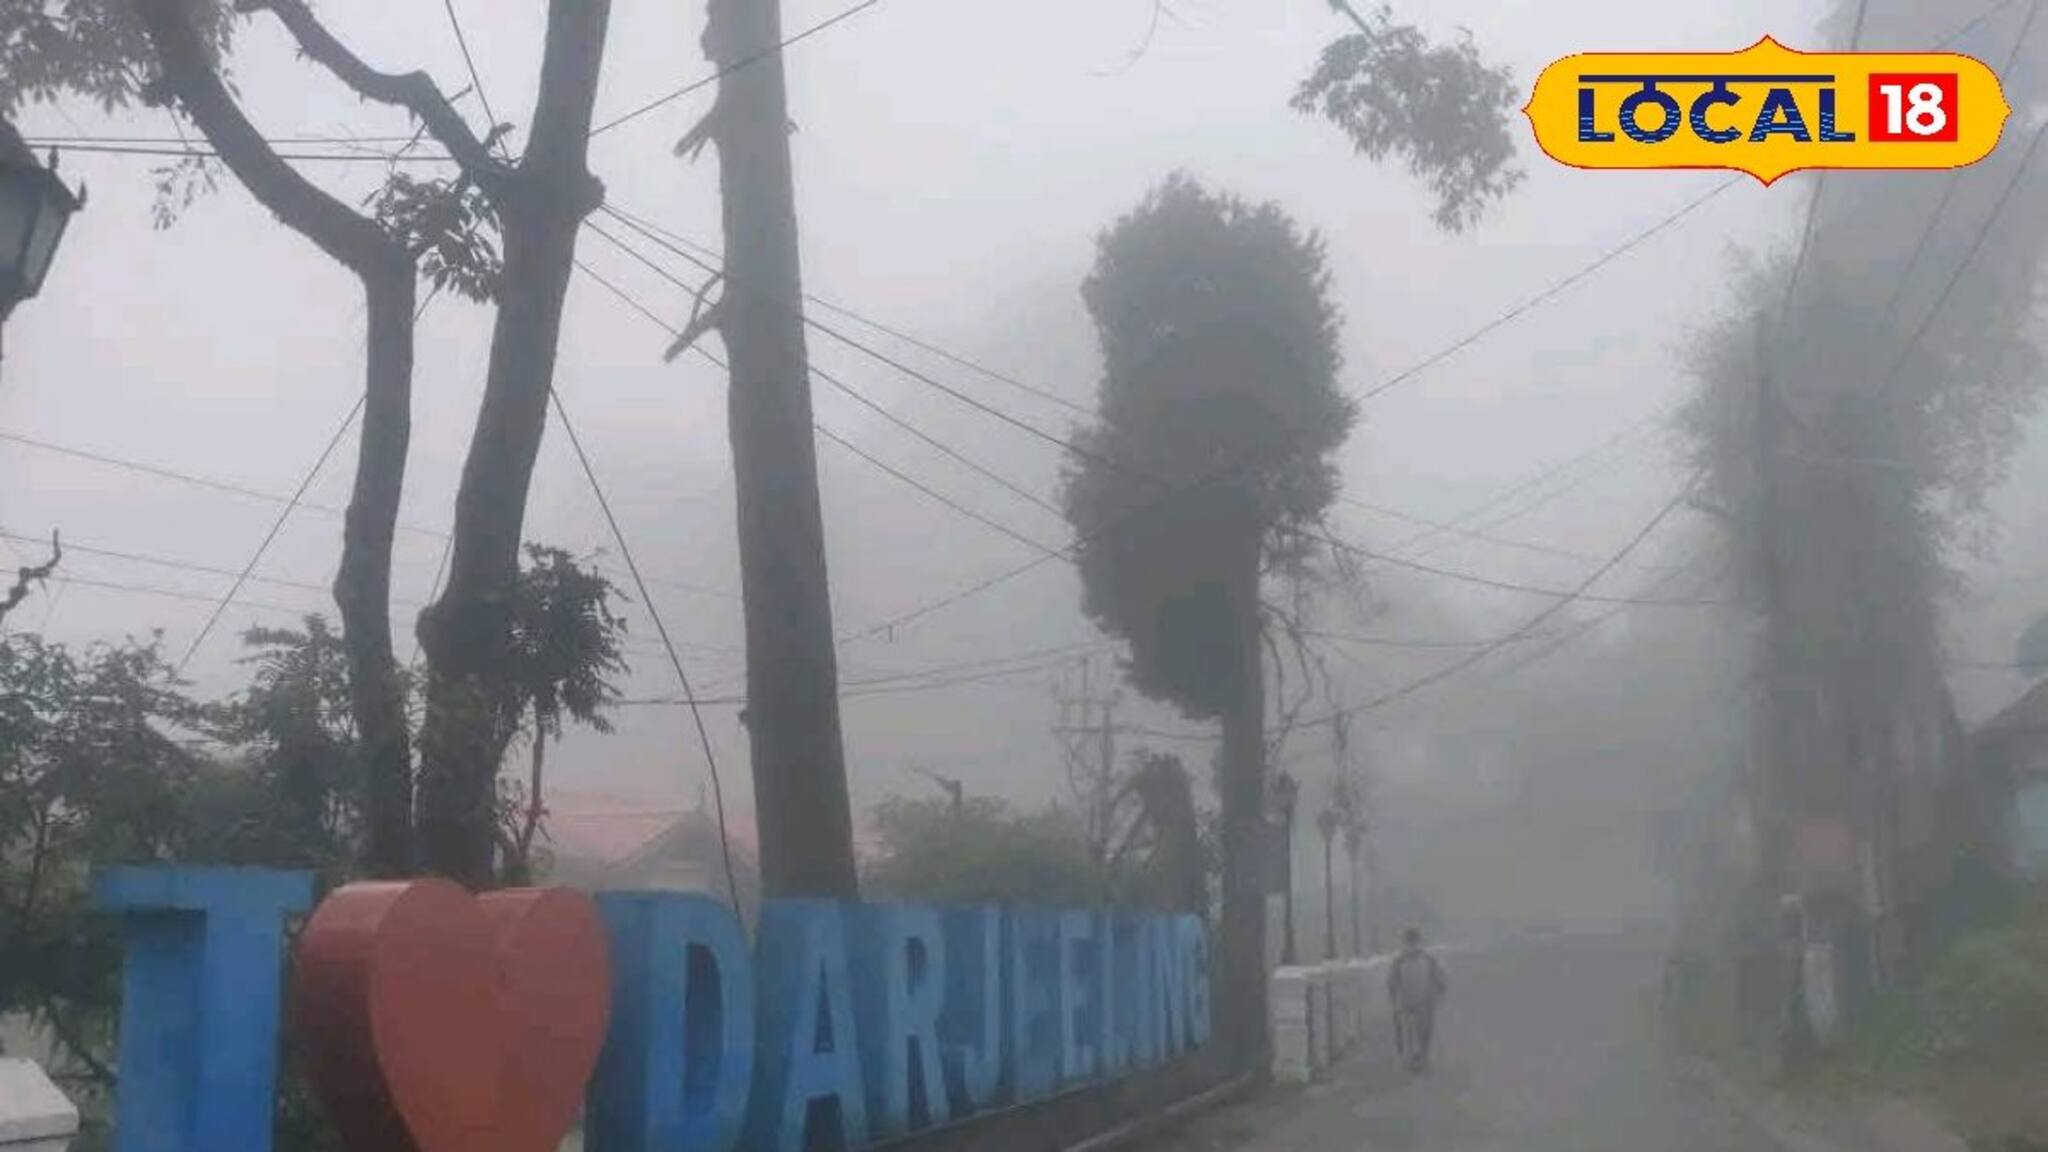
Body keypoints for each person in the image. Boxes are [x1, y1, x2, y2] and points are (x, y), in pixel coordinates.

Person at [1387, 927, 1447, 1071]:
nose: (1411, 945)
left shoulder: (1427, 959)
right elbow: (1392, 981)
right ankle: (1413, 1058)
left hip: (1424, 1002)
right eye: (1409, 942)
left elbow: (1438, 977)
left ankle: (1421, 1057)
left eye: (1413, 941)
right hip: (1407, 1002)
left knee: (1423, 1032)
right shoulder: (1399, 961)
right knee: (1410, 1032)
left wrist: (1440, 991)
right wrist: (1394, 997)